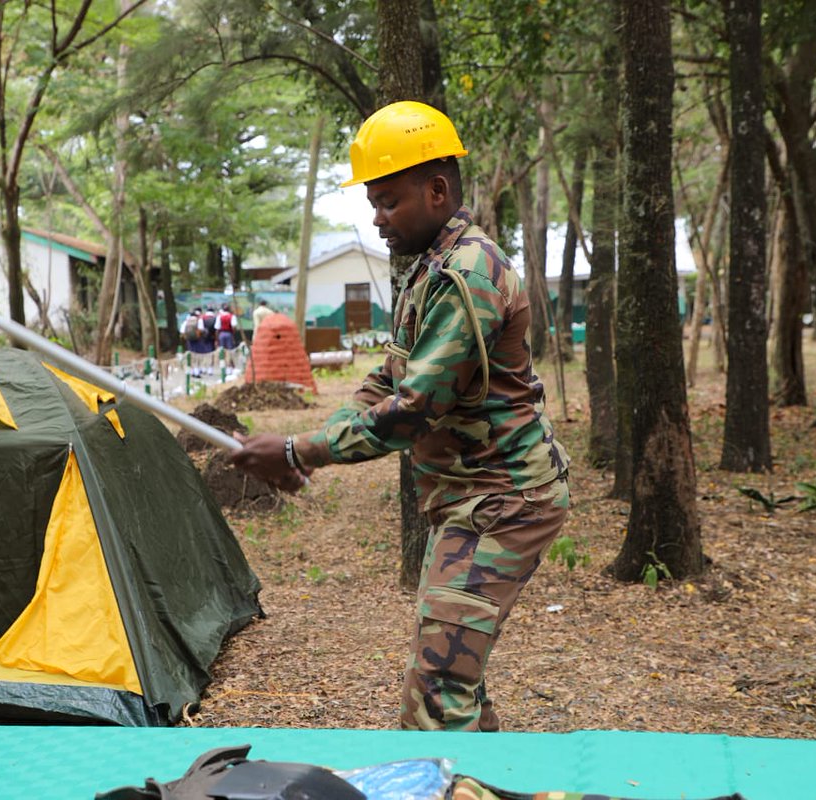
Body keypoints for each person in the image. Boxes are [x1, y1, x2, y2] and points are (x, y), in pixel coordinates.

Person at [229, 101, 570, 733]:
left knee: (438, 686)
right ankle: (481, 778)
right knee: (450, 671)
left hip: (504, 500)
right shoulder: (428, 271)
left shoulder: (469, 273)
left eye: (388, 202)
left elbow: (415, 409)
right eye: (372, 205)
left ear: (437, 190)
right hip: (471, 498)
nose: (378, 220)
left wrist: (301, 452)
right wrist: (307, 445)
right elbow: (388, 378)